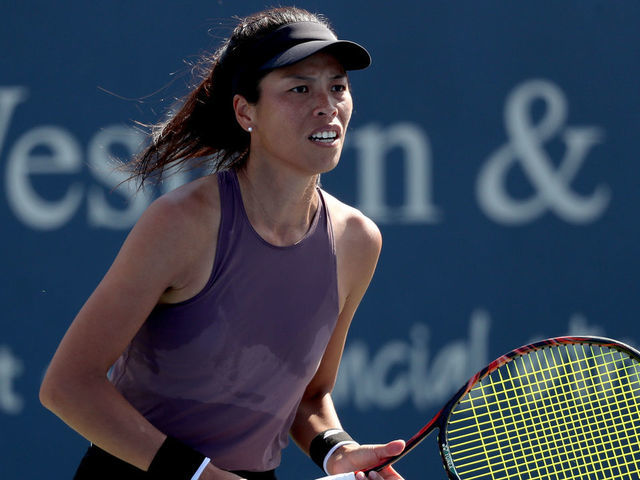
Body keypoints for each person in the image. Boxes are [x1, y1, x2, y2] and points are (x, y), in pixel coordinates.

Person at [40, 7, 405, 480]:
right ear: (244, 110)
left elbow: (310, 397)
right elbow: (68, 386)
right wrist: (199, 475)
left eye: (337, 87)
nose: (327, 105)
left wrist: (337, 451)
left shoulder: (357, 241)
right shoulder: (182, 223)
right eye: (300, 88)